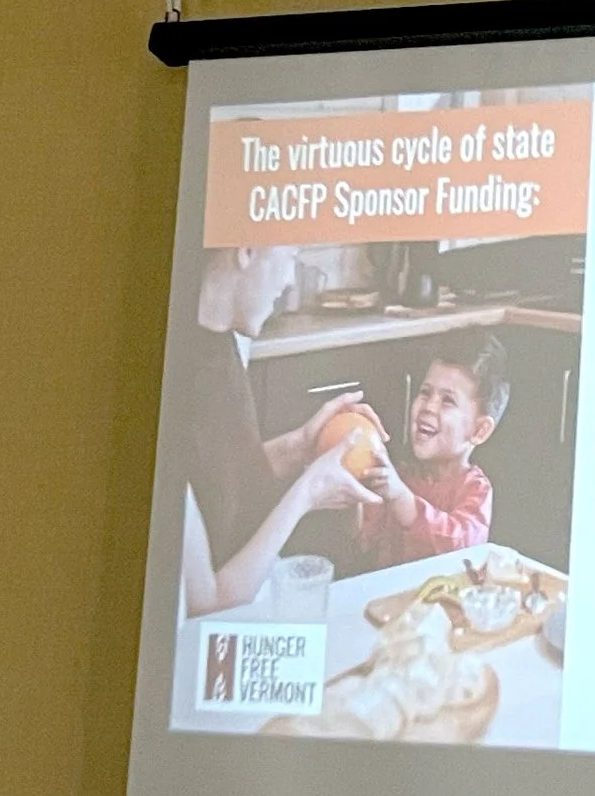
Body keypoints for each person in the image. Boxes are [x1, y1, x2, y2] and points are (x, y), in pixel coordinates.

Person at [179, 243, 379, 615]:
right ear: (247, 250)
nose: (289, 281)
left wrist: (301, 446)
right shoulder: (169, 379)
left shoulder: (218, 343)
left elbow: (216, 480)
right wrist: (306, 493)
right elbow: (205, 601)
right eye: (289, 256)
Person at [351, 334, 506, 572]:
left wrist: (402, 498)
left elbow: (460, 547)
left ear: (479, 430)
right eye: (425, 392)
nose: (428, 406)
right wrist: (352, 484)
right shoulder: (399, 476)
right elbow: (363, 540)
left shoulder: (476, 490)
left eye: (447, 401)